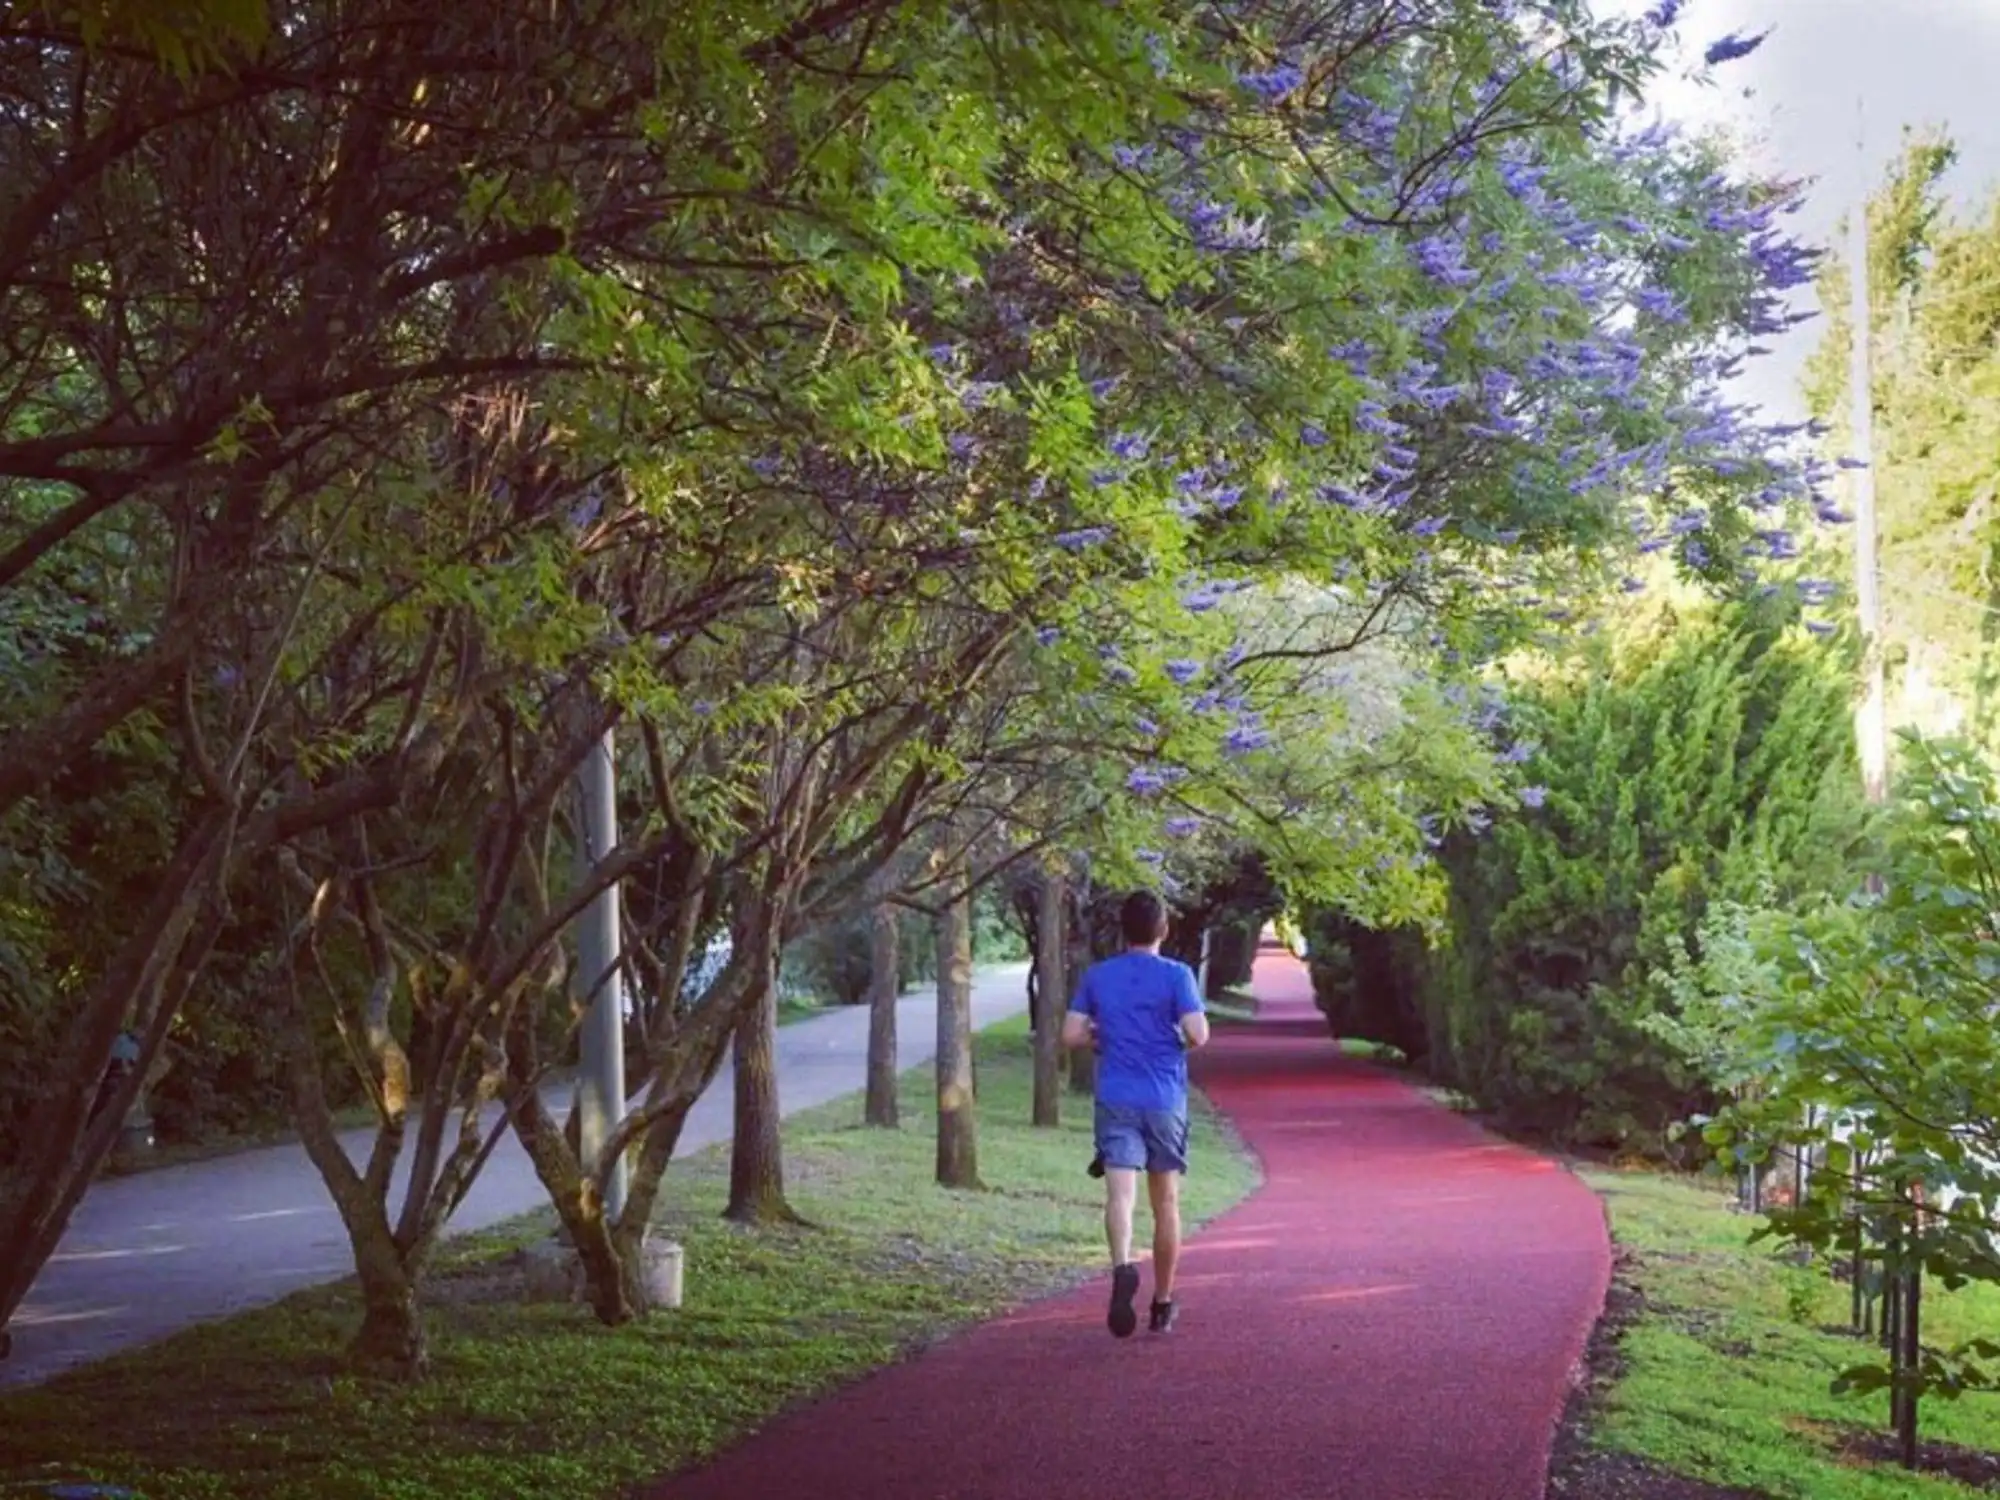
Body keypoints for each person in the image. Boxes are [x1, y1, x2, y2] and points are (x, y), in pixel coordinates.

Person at [1062, 890, 1210, 1338]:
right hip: (1164, 1098)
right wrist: (1173, 1037)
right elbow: (1198, 1034)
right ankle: (1162, 1302)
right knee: (1165, 1202)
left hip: (1116, 1096)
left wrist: (1101, 1037)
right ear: (1163, 929)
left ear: (1123, 931)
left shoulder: (1099, 976)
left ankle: (1123, 1265)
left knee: (1119, 1196)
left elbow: (1070, 1033)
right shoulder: (1178, 975)